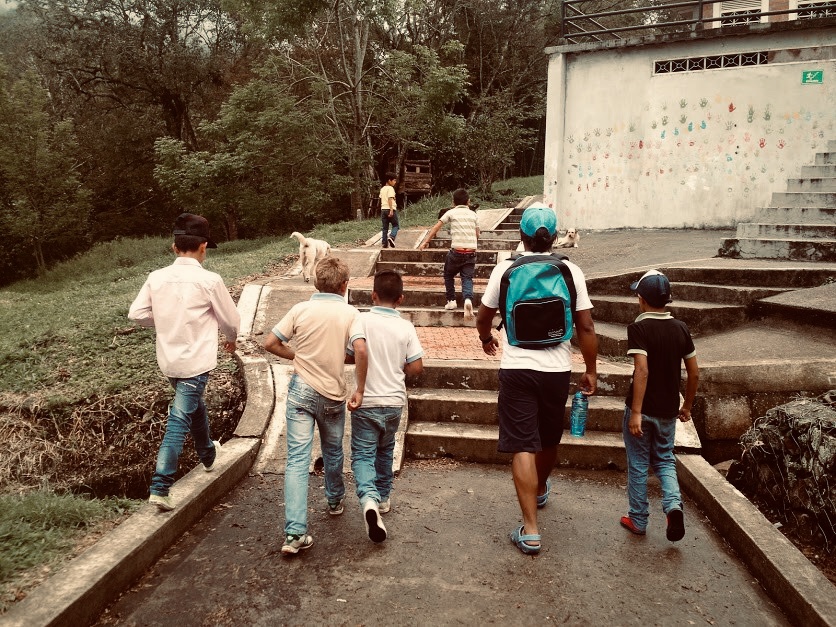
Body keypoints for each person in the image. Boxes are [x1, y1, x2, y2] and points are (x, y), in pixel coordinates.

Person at [475, 204, 598, 555]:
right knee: (547, 438)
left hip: (517, 368)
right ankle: (540, 486)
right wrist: (591, 369)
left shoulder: (505, 269)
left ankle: (530, 531)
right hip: (557, 370)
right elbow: (587, 326)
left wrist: (486, 338)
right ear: (554, 236)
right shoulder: (570, 270)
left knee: (523, 444)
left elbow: (483, 317)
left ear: (522, 236)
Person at [128, 213, 240, 512]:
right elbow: (231, 320)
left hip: (169, 360)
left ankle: (207, 454)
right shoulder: (210, 280)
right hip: (196, 362)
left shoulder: (156, 277)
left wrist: (166, 320)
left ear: (174, 247)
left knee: (193, 405)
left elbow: (136, 314)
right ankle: (161, 486)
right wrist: (231, 339)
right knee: (179, 419)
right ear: (203, 247)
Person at [262, 256, 368, 555]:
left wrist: (298, 356)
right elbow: (360, 349)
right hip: (332, 395)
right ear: (344, 285)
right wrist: (360, 388)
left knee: (297, 459)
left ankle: (295, 533)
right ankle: (334, 500)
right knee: (333, 451)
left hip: (301, 392)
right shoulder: (350, 313)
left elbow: (270, 343)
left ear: (317, 283)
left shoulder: (300, 309)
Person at [620, 270, 699, 542]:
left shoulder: (638, 328)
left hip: (642, 409)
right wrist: (687, 405)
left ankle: (638, 519)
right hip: (668, 409)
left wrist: (636, 412)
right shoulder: (681, 328)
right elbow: (694, 372)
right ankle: (673, 506)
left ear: (641, 300)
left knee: (638, 463)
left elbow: (641, 371)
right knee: (665, 459)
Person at [347, 270, 424, 543]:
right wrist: (398, 366)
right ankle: (383, 497)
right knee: (385, 449)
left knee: (363, 454)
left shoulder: (361, 319)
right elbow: (416, 366)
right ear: (401, 299)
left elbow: (353, 353)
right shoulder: (406, 327)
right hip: (393, 401)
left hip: (366, 401)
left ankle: (368, 499)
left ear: (373, 295)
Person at [419, 188, 480, 320]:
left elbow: (436, 227)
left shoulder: (451, 212)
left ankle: (451, 300)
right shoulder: (473, 214)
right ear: (468, 201)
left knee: (448, 274)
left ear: (453, 202)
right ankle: (467, 299)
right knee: (467, 278)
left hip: (456, 251)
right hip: (471, 252)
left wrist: (426, 242)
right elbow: (477, 234)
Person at [380, 173, 399, 248]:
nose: (395, 182)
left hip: (383, 209)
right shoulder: (390, 188)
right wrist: (391, 210)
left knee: (385, 227)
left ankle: (384, 243)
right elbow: (390, 199)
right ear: (389, 180)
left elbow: (382, 199)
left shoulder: (382, 189)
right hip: (390, 209)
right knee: (396, 225)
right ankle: (392, 237)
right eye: (394, 180)